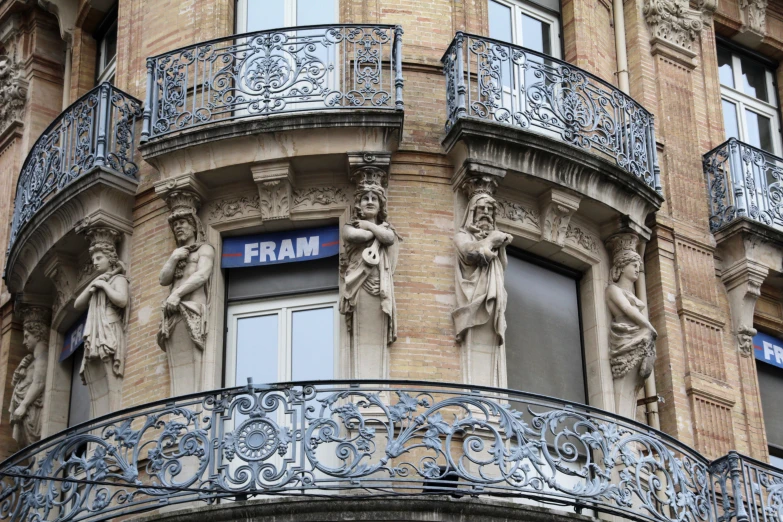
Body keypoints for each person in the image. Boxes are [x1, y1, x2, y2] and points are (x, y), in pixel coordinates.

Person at [340, 168, 399, 379]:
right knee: (361, 324)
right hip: (358, 280)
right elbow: (355, 236)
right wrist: (370, 228)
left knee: (377, 323)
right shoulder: (349, 226)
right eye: (365, 198)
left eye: (375, 198)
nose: (370, 201)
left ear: (381, 204)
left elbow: (389, 238)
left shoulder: (386, 229)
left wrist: (370, 226)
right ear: (358, 203)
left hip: (379, 281)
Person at [453, 191, 512, 386]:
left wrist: (499, 245)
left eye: (490, 210)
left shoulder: (495, 237)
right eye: (481, 209)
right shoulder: (463, 235)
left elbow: (502, 265)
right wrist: (492, 241)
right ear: (472, 211)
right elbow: (468, 253)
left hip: (494, 289)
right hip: (473, 292)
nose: (486, 213)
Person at [157, 194, 214, 395]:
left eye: (182, 223)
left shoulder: (204, 249)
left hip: (192, 308)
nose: (178, 227)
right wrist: (173, 258)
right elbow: (163, 279)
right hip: (173, 311)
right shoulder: (178, 254)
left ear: (194, 226)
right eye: (175, 226)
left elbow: (202, 275)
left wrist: (177, 294)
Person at [74, 232, 129, 411]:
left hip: (110, 326)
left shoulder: (118, 279)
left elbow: (122, 300)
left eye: (99, 257)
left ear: (110, 258)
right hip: (96, 329)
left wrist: (105, 286)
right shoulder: (98, 281)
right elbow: (77, 304)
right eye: (94, 258)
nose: (95, 262)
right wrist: (94, 286)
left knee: (108, 367)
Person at [605, 244, 657, 418]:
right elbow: (627, 309)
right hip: (625, 335)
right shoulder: (613, 289)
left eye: (638, 265)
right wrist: (648, 326)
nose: (638, 268)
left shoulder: (632, 295)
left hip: (634, 334)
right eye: (633, 265)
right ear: (622, 266)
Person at [9, 308, 49, 447]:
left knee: (33, 449)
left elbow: (38, 383)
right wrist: (20, 373)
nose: (23, 342)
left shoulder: (43, 358)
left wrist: (23, 406)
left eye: (27, 336)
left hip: (31, 412)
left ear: (37, 334)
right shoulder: (32, 360)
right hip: (26, 412)